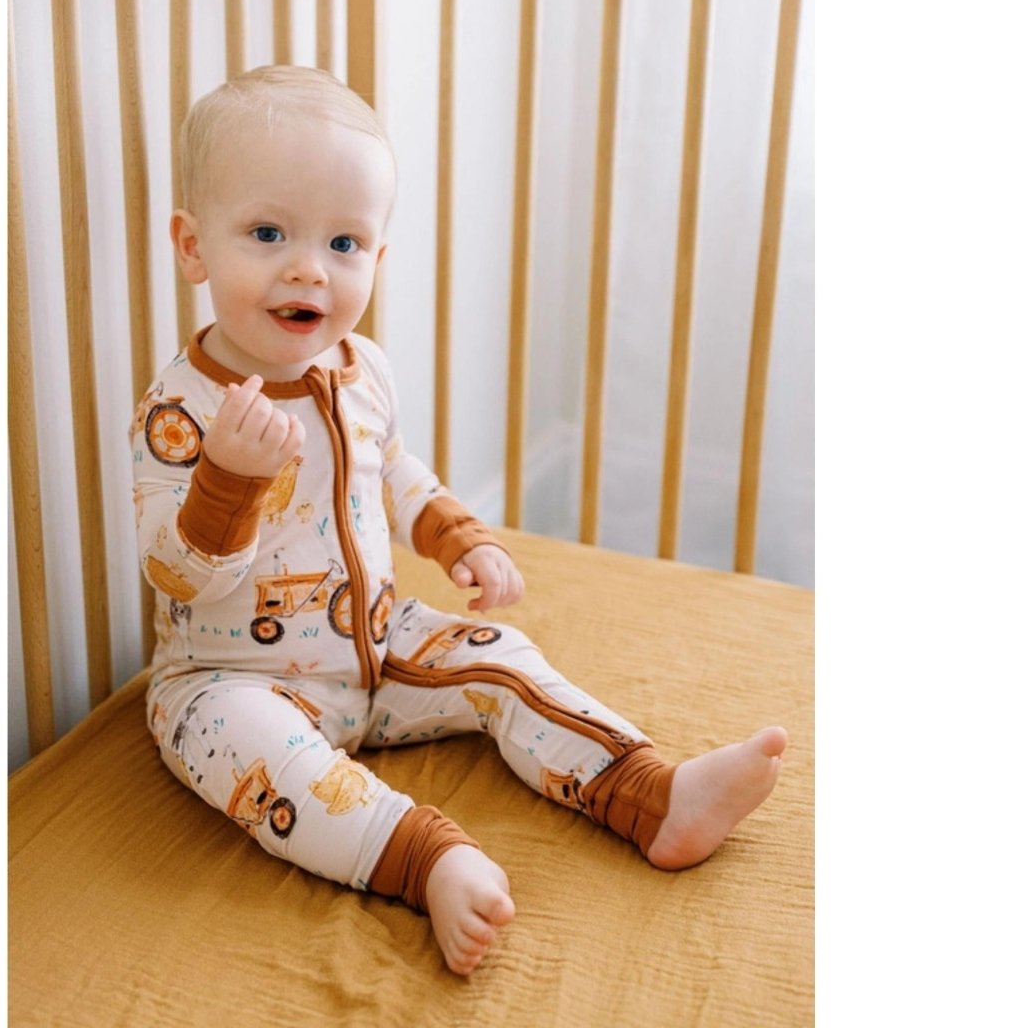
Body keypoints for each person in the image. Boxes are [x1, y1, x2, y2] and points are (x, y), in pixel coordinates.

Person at [133, 64, 787, 976]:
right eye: (268, 232)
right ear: (193, 246)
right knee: (269, 764)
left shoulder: (363, 369)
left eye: (345, 242)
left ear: (377, 259)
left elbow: (392, 470)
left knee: (501, 660)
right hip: (232, 676)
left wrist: (456, 534)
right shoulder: (182, 410)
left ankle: (650, 794)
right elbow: (174, 573)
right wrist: (227, 480)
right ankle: (429, 859)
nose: (307, 266)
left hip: (377, 641)